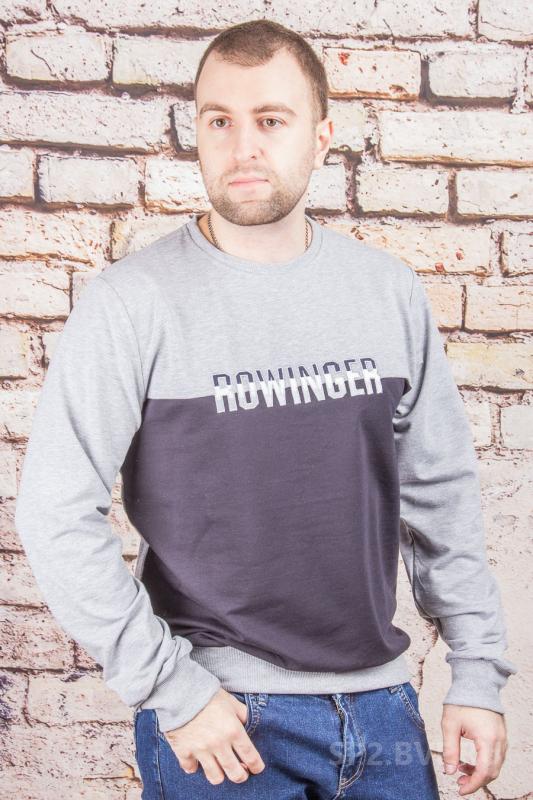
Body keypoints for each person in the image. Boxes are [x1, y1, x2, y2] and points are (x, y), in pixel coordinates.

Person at [14, 18, 517, 800]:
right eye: (219, 121)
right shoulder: (132, 303)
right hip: (223, 719)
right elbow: (54, 513)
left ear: (321, 137)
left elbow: (441, 498)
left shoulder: (385, 292)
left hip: (383, 706)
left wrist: (477, 675)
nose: (242, 147)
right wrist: (173, 692)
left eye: (270, 120)